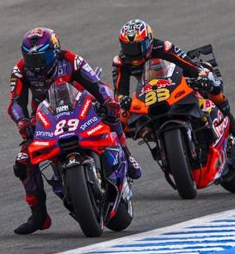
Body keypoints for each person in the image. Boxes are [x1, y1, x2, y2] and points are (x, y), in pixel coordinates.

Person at [8, 27, 141, 235]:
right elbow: (15, 103)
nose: (38, 65)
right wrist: (22, 121)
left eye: (42, 57)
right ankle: (39, 216)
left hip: (81, 104)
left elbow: (96, 83)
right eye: (32, 59)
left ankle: (127, 155)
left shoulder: (71, 59)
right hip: (45, 116)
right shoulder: (20, 70)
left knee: (111, 112)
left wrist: (107, 101)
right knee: (23, 162)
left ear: (54, 50)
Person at [111, 19, 235, 139]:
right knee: (119, 118)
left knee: (207, 75)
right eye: (128, 47)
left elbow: (188, 65)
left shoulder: (163, 47)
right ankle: (132, 153)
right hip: (148, 92)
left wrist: (200, 76)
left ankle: (228, 117)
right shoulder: (120, 62)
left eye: (138, 46)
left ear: (149, 41)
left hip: (175, 81)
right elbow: (119, 91)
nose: (133, 52)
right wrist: (123, 100)